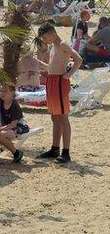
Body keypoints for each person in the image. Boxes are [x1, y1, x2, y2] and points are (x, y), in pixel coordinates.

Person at [37, 23, 82, 163]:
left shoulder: (62, 44)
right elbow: (52, 67)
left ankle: (66, 152)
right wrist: (39, 64)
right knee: (55, 117)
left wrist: (69, 74)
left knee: (63, 117)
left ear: (52, 34)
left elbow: (78, 59)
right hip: (51, 81)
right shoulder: (53, 47)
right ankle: (55, 148)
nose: (44, 41)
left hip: (59, 82)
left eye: (45, 38)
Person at [0, 84, 26, 163]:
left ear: (12, 93)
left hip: (18, 127)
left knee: (1, 134)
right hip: (6, 126)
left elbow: (13, 124)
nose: (2, 93)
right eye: (1, 91)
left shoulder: (14, 104)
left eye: (5, 91)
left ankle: (16, 153)